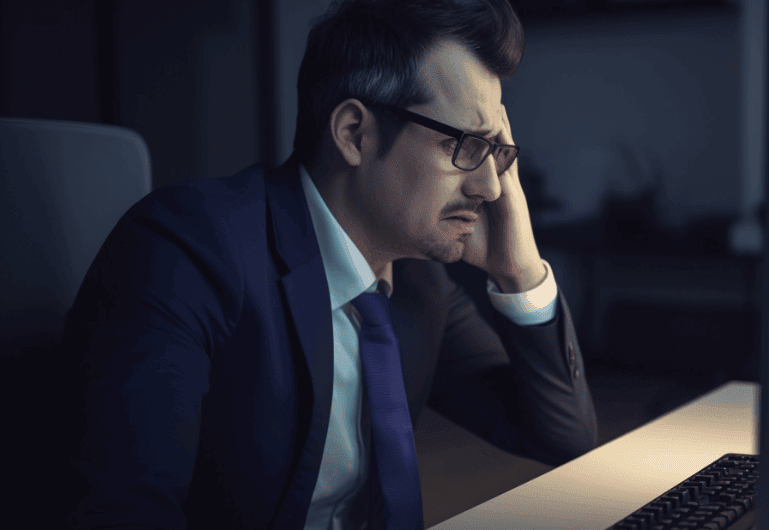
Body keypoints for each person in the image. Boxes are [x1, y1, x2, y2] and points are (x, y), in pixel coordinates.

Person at [58, 0, 599, 529]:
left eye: (496, 153)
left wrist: (519, 270)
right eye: (465, 145)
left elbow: (561, 437)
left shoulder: (417, 280)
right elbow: (124, 510)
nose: (488, 187)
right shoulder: (185, 250)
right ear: (353, 134)